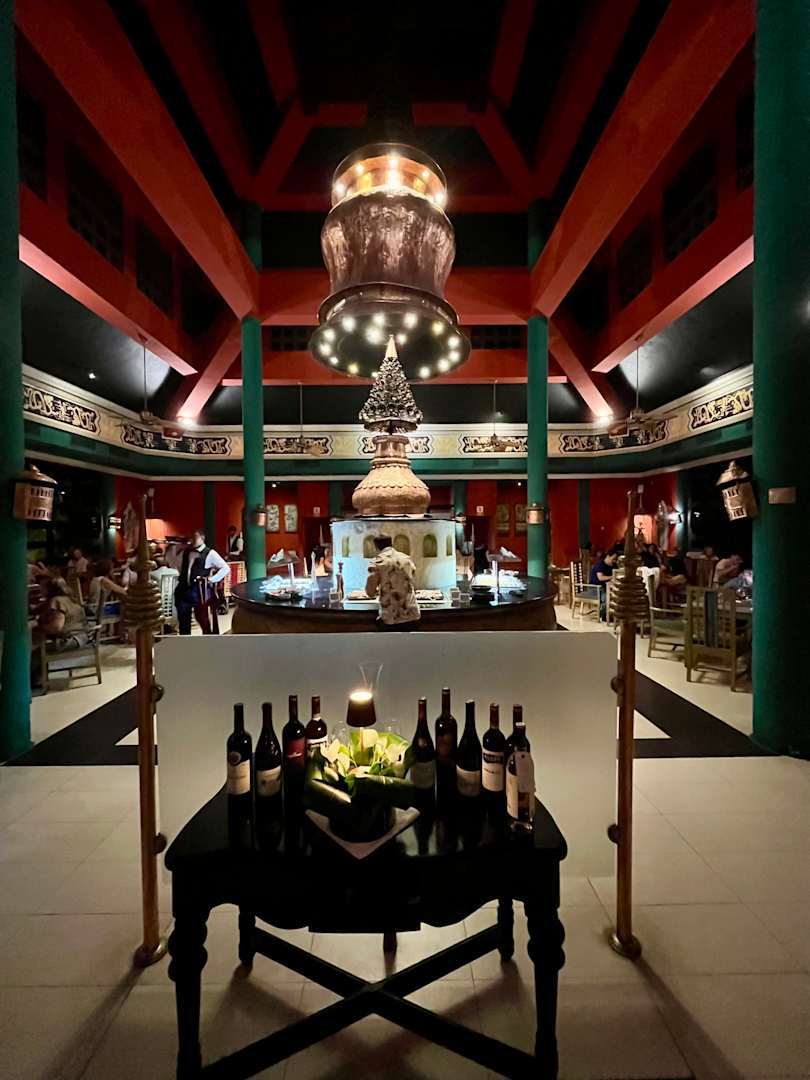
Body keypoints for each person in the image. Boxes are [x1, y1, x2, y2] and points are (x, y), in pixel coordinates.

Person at [175, 529, 229, 635]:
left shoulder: (210, 553)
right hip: (183, 588)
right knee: (183, 619)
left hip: (198, 590)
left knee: (202, 618)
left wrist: (211, 579)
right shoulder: (185, 551)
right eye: (191, 537)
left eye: (195, 537)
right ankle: (185, 640)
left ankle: (207, 638)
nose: (192, 539)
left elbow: (225, 568)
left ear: (202, 538)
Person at [365, 534, 420, 628]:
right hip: (412, 614)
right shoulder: (406, 559)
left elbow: (370, 592)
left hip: (391, 617)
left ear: (376, 546)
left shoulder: (377, 563)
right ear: (391, 543)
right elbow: (412, 576)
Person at [589, 551, 617, 620]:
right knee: (607, 598)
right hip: (595, 588)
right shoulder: (600, 564)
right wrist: (613, 577)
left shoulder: (613, 565)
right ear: (608, 556)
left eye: (615, 559)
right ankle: (603, 615)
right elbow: (600, 578)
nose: (614, 561)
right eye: (613, 559)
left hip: (606, 587)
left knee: (616, 596)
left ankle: (612, 615)